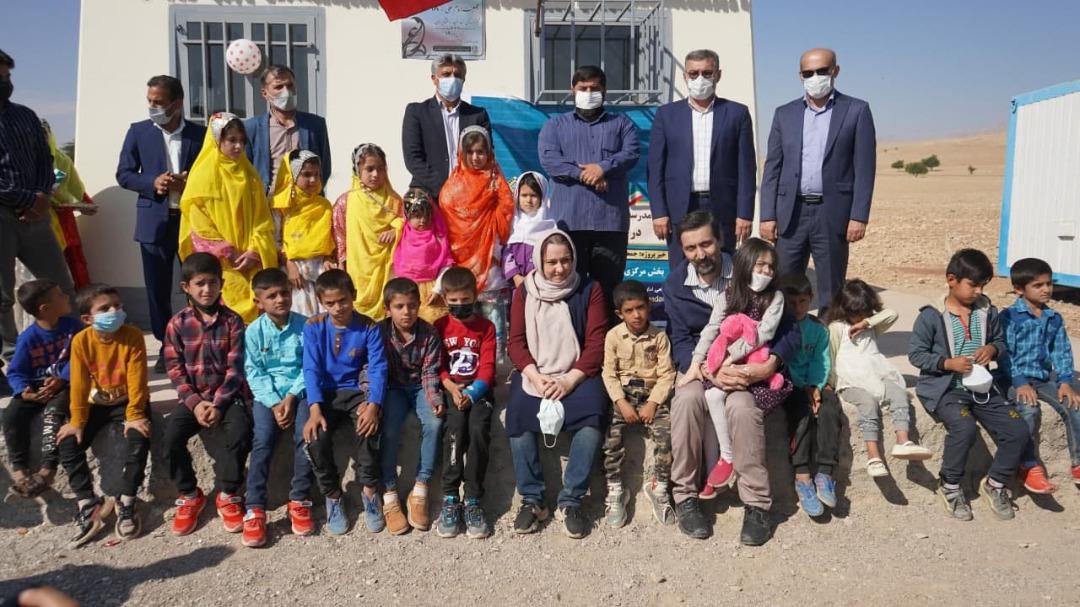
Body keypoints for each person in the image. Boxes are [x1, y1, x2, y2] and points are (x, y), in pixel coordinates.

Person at [663, 210, 800, 545]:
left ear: (720, 240)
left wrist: (771, 364)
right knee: (687, 401)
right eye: (691, 248)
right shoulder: (675, 285)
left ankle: (757, 504)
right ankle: (685, 496)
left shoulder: (752, 268)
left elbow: (789, 330)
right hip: (703, 366)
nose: (700, 254)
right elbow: (680, 339)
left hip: (748, 367)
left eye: (706, 244)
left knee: (742, 407)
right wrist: (708, 369)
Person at [908, 248, 1029, 522]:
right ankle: (950, 486)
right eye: (973, 285)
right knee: (964, 428)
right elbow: (916, 354)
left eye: (983, 285)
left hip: (982, 387)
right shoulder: (931, 315)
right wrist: (946, 363)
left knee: (1017, 429)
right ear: (951, 279)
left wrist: (992, 349)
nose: (978, 291)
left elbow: (1000, 342)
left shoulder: (987, 311)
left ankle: (995, 484)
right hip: (946, 389)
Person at [506, 229, 608, 539]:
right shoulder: (524, 292)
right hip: (536, 372)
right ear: (540, 262)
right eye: (552, 262)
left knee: (593, 412)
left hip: (577, 371)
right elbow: (516, 343)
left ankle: (571, 500)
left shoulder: (589, 289)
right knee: (518, 413)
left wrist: (568, 380)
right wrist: (535, 376)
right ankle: (532, 498)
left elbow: (595, 344)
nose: (560, 268)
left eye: (565, 260)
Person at [760, 48, 877, 309]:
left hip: (832, 213)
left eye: (822, 71)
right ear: (800, 76)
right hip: (791, 214)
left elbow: (865, 169)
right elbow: (773, 168)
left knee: (831, 288)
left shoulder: (856, 110)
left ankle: (827, 333)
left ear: (836, 71)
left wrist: (858, 216)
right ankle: (787, 334)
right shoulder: (784, 114)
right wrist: (767, 215)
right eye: (808, 73)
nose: (815, 77)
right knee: (783, 286)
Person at [684, 238, 787, 498]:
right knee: (711, 396)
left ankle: (742, 477)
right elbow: (712, 328)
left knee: (738, 408)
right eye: (760, 265)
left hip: (755, 362)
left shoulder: (775, 298)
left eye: (770, 267)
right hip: (727, 362)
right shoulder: (728, 294)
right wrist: (698, 361)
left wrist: (729, 358)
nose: (765, 272)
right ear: (746, 264)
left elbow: (763, 333)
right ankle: (724, 460)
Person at [116, 75, 205, 373]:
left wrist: (190, 182)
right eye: (150, 101)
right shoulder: (139, 132)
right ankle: (167, 347)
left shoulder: (200, 134)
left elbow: (212, 173)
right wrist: (152, 182)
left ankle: (200, 342)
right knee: (157, 288)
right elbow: (124, 174)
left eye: (159, 102)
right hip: (154, 221)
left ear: (177, 103)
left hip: (192, 223)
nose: (153, 107)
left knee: (200, 282)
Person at [163, 253, 252, 537]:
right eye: (199, 283)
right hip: (194, 399)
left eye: (212, 283)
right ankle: (190, 494)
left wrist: (218, 403)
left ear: (221, 284)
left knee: (240, 432)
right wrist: (196, 403)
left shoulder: (233, 322)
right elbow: (175, 370)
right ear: (186, 287)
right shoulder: (177, 324)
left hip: (227, 397)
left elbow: (236, 369)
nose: (207, 289)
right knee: (170, 437)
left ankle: (228, 493)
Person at [538, 65, 640, 310]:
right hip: (569, 224)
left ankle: (606, 336)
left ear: (604, 91)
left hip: (610, 224)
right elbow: (549, 160)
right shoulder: (555, 125)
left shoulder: (622, 124)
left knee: (608, 292)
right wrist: (586, 174)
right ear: (572, 90)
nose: (588, 92)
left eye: (594, 88)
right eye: (583, 88)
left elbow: (631, 153)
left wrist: (603, 167)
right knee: (568, 291)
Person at [56, 284, 151, 546]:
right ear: (87, 318)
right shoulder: (81, 341)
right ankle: (88, 503)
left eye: (117, 305)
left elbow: (138, 380)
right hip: (96, 404)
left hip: (129, 403)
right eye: (105, 308)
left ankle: (127, 501)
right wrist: (77, 421)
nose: (114, 311)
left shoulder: (133, 335)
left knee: (138, 441)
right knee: (68, 443)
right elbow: (78, 384)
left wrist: (135, 414)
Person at [0, 48, 75, 362]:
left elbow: (46, 159)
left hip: (37, 216)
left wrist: (42, 195)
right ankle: (11, 358)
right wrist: (27, 199)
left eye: (7, 76)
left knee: (61, 286)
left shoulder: (25, 116)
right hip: (4, 215)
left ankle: (74, 350)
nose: (5, 83)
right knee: (2, 297)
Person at [647, 49, 756, 266]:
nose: (700, 79)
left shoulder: (737, 113)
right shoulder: (667, 115)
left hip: (722, 207)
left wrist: (744, 214)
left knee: (723, 267)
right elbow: (655, 168)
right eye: (693, 73)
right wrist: (659, 212)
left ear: (718, 75)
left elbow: (746, 168)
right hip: (680, 207)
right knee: (681, 269)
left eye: (707, 73)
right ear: (685, 76)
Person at [302, 269, 387, 535]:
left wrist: (373, 405)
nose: (338, 307)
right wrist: (314, 408)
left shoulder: (369, 327)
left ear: (353, 296)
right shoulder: (314, 326)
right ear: (321, 302)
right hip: (325, 394)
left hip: (356, 392)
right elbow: (311, 368)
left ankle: (370, 491)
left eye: (343, 300)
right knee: (315, 438)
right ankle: (333, 496)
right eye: (330, 303)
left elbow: (378, 368)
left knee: (369, 427)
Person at [826, 278, 932, 479]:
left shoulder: (870, 326)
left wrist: (867, 322)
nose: (860, 316)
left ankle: (903, 441)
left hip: (877, 375)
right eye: (856, 313)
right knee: (867, 405)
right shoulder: (837, 328)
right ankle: (873, 456)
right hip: (850, 380)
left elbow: (892, 314)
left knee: (899, 394)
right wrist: (830, 384)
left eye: (864, 312)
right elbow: (830, 356)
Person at [178, 112, 277, 323]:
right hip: (221, 264)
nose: (238, 146)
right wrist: (228, 252)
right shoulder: (203, 175)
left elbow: (262, 219)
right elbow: (199, 224)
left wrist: (255, 250)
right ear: (217, 140)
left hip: (250, 260)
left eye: (242, 141)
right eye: (232, 140)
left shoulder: (250, 176)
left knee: (254, 316)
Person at [241, 268, 314, 548]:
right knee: (262, 439)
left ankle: (299, 498)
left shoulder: (305, 326)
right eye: (271, 296)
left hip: (300, 392)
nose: (280, 299)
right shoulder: (254, 331)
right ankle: (255, 507)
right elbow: (254, 371)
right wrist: (274, 403)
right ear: (258, 301)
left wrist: (291, 398)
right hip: (267, 397)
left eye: (284, 293)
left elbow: (309, 366)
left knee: (306, 435)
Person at [1000, 257, 1080, 493]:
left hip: (1042, 379)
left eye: (1049, 283)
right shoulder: (1009, 317)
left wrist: (1065, 381)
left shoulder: (1053, 318)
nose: (1046, 289)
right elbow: (1004, 355)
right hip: (1013, 379)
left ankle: (1077, 464)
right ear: (1019, 289)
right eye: (1038, 285)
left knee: (1073, 404)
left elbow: (1061, 352)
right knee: (1028, 409)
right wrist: (1020, 382)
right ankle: (1027, 466)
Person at [601, 280, 676, 528]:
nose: (636, 315)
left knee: (666, 436)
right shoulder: (613, 336)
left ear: (649, 306)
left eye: (641, 308)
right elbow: (608, 373)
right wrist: (621, 402)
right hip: (623, 395)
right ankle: (615, 490)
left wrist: (653, 403)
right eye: (629, 310)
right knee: (610, 439)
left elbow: (667, 374)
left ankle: (659, 486)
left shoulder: (659, 338)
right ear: (619, 313)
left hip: (651, 395)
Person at [378, 278, 445, 535]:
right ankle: (389, 492)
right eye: (399, 306)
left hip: (419, 387)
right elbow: (373, 369)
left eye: (412, 305)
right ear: (387, 309)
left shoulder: (429, 333)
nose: (406, 312)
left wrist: (434, 399)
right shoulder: (379, 333)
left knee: (434, 423)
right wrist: (372, 400)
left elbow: (429, 372)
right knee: (389, 427)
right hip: (392, 388)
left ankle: (420, 488)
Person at [434, 267, 497, 539]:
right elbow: (436, 364)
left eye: (465, 300)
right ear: (445, 299)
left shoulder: (487, 327)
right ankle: (450, 497)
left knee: (478, 430)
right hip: (451, 390)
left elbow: (488, 367)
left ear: (475, 295)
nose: (460, 305)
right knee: (454, 431)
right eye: (453, 301)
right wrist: (449, 386)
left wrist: (473, 393)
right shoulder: (439, 327)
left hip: (478, 391)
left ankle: (472, 498)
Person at [2, 279, 81, 498]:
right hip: (36, 388)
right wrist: (24, 391)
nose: (67, 297)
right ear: (45, 308)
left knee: (53, 415)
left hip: (64, 386)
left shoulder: (73, 327)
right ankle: (20, 471)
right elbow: (15, 371)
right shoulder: (28, 338)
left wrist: (62, 378)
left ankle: (48, 470)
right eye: (60, 295)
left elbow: (82, 356)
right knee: (11, 416)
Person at [439, 125, 514, 352]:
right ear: (461, 153)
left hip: (489, 255)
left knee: (494, 318)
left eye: (480, 152)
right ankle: (466, 361)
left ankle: (496, 363)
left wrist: (490, 222)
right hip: (462, 257)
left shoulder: (495, 178)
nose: (475, 157)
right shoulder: (453, 184)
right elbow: (447, 211)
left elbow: (507, 206)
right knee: (465, 317)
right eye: (470, 152)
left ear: (488, 152)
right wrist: (469, 222)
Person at [777, 273, 843, 517]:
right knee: (801, 412)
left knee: (830, 407)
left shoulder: (818, 329)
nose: (797, 308)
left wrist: (816, 386)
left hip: (815, 382)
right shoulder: (779, 328)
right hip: (790, 383)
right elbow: (784, 362)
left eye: (802, 302)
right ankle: (802, 476)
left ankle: (825, 472)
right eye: (792, 302)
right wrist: (804, 387)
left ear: (811, 299)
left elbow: (821, 361)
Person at [402, 54, 491, 201]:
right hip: (430, 197)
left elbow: (486, 156)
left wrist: (466, 189)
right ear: (434, 79)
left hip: (468, 198)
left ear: (464, 80)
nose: (452, 79)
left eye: (457, 75)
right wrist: (446, 188)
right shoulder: (417, 112)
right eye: (446, 74)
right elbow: (413, 159)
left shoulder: (478, 115)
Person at [333, 143, 403, 320]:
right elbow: (339, 235)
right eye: (369, 169)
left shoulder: (395, 200)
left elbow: (409, 224)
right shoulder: (345, 202)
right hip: (358, 268)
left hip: (387, 267)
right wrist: (341, 265)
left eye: (381, 169)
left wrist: (397, 229)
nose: (375, 174)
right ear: (358, 170)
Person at [244, 64, 331, 195]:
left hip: (306, 202)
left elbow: (324, 166)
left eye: (290, 85)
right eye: (278, 87)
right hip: (270, 202)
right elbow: (246, 169)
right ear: (265, 93)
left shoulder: (315, 124)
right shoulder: (252, 128)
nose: (286, 91)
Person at [270, 150, 335, 316]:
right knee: (301, 318)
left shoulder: (324, 205)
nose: (313, 180)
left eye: (316, 174)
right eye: (306, 174)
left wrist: (328, 258)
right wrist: (289, 265)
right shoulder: (281, 205)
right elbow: (275, 240)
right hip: (294, 272)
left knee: (326, 318)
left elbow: (329, 239)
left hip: (321, 271)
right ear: (293, 176)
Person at [42, 119, 97, 289]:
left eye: (44, 134)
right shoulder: (23, 160)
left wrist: (86, 204)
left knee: (72, 262)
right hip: (35, 218)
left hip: (62, 220)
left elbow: (75, 188)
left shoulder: (61, 161)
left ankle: (76, 300)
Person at [392, 189, 453, 323]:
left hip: (431, 292)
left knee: (432, 322)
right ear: (407, 216)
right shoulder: (401, 234)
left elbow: (446, 265)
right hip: (405, 290)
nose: (423, 220)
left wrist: (437, 290)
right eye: (417, 216)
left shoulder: (438, 237)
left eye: (426, 215)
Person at [503, 172, 557, 289]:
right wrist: (515, 276)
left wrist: (537, 278)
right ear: (517, 195)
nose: (528, 200)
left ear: (542, 197)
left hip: (541, 284)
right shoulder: (512, 223)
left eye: (533, 195)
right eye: (524, 195)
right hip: (516, 285)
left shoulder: (549, 226)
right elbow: (506, 254)